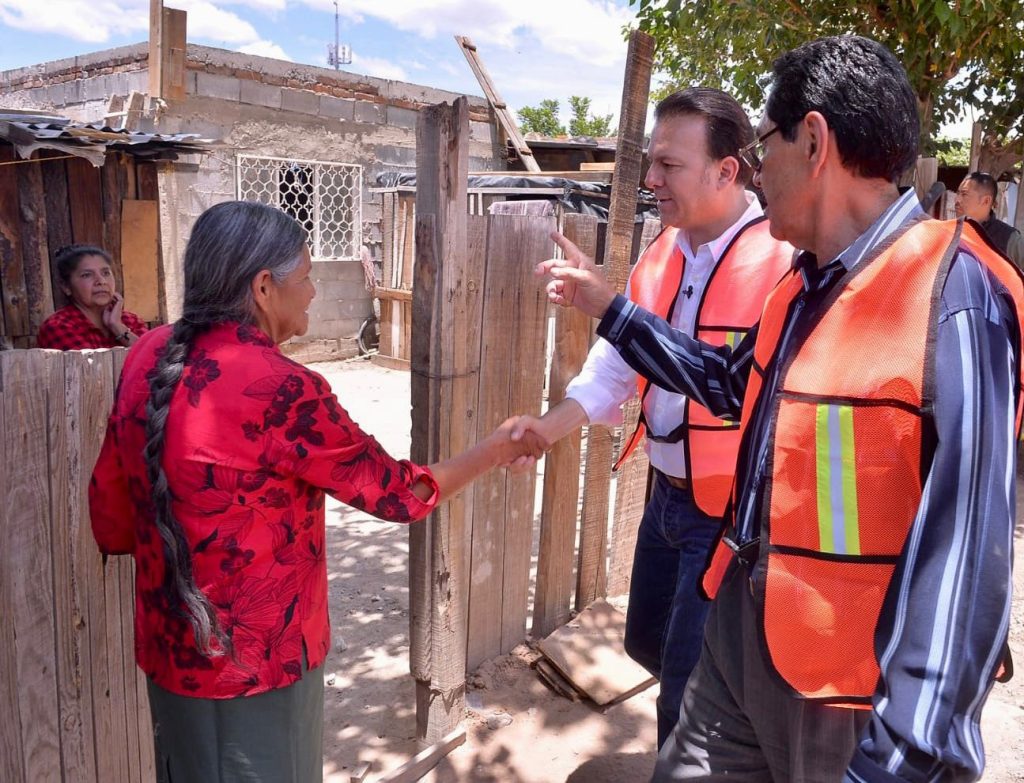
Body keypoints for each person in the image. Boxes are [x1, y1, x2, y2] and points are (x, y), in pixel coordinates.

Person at [534, 35, 1022, 782]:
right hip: (744, 638)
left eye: (766, 144)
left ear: (815, 141)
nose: (758, 172)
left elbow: (964, 556)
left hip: (846, 692)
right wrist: (612, 309)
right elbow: (730, 383)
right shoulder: (801, 289)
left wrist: (907, 754)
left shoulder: (954, 295)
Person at [88, 201, 544, 783]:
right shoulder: (279, 388)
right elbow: (399, 494)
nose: (311, 292)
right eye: (304, 277)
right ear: (262, 287)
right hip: (256, 668)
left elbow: (111, 513)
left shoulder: (148, 353)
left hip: (168, 648)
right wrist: (495, 450)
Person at [514, 87, 792, 748]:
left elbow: (725, 383)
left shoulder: (780, 262)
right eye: (652, 161)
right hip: (665, 496)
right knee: (647, 641)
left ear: (727, 171)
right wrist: (548, 428)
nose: (651, 178)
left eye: (669, 164)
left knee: (686, 690)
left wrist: (609, 304)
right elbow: (619, 359)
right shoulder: (664, 250)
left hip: (726, 516)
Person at [37, 244, 147, 349]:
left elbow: (155, 360)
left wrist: (117, 326)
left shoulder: (131, 321)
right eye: (87, 275)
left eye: (106, 273)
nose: (101, 281)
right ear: (66, 287)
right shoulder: (59, 326)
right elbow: (87, 367)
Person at [955, 171, 1024, 267]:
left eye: (964, 194)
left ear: (986, 200)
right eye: (957, 193)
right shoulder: (951, 230)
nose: (957, 200)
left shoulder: (1008, 238)